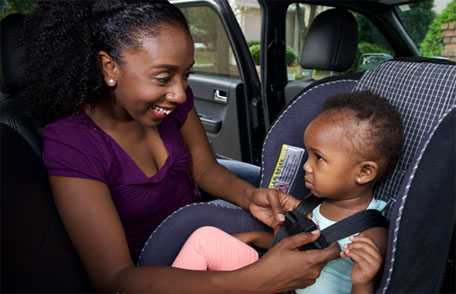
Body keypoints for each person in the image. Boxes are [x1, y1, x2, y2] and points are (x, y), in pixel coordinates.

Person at [21, 0, 340, 292]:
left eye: (185, 75)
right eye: (163, 77)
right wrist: (254, 280)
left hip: (204, 234)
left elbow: (204, 169)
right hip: (159, 274)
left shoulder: (172, 104)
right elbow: (114, 278)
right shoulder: (71, 143)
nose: (179, 93)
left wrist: (250, 196)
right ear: (109, 68)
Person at [171, 91, 403, 294]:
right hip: (277, 283)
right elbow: (297, 247)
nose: (306, 166)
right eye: (308, 155)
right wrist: (256, 238)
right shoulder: (315, 205)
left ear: (364, 172)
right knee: (205, 238)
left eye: (319, 158)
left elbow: (344, 269)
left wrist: (363, 283)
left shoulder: (370, 231)